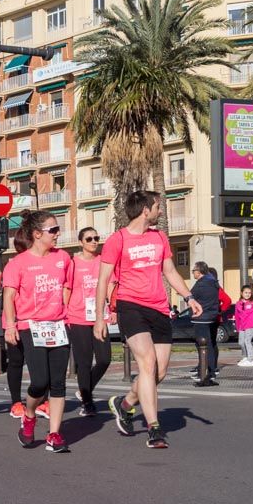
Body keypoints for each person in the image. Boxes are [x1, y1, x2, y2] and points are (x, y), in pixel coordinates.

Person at [95, 191, 201, 449]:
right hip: (131, 306)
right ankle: (154, 429)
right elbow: (102, 281)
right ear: (145, 210)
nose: (161, 211)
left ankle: (126, 403)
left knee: (159, 372)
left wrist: (189, 297)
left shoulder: (159, 237)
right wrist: (100, 317)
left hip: (159, 308)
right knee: (148, 363)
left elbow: (169, 271)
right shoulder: (116, 240)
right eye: (157, 207)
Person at [2, 211, 73, 452]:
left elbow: (67, 286)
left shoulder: (63, 257)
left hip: (58, 326)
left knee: (58, 383)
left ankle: (54, 434)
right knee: (40, 382)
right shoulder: (18, 263)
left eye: (57, 229)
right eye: (53, 230)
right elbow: (9, 296)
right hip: (30, 326)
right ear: (37, 234)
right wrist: (10, 325)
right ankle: (29, 413)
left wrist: (66, 311)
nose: (57, 234)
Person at [65, 227, 113, 416]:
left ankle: (84, 389)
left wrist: (113, 308)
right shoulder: (73, 263)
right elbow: (67, 289)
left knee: (104, 359)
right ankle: (87, 402)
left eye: (96, 238)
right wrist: (64, 313)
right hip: (77, 317)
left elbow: (110, 284)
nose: (94, 241)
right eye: (89, 238)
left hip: (99, 317)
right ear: (81, 242)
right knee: (83, 362)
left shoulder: (104, 261)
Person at [188, 262, 222, 388]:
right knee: (211, 344)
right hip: (212, 317)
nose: (193, 273)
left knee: (202, 344)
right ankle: (211, 372)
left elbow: (191, 296)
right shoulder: (214, 282)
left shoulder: (201, 284)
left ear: (199, 271)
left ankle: (204, 373)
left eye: (194, 270)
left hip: (200, 318)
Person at [234, 284, 253, 367]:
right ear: (241, 293)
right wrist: (237, 327)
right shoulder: (238, 303)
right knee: (241, 342)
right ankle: (244, 357)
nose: (247, 294)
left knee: (247, 341)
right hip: (242, 325)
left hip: (251, 324)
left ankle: (250, 360)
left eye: (249, 293)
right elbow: (237, 316)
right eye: (246, 292)